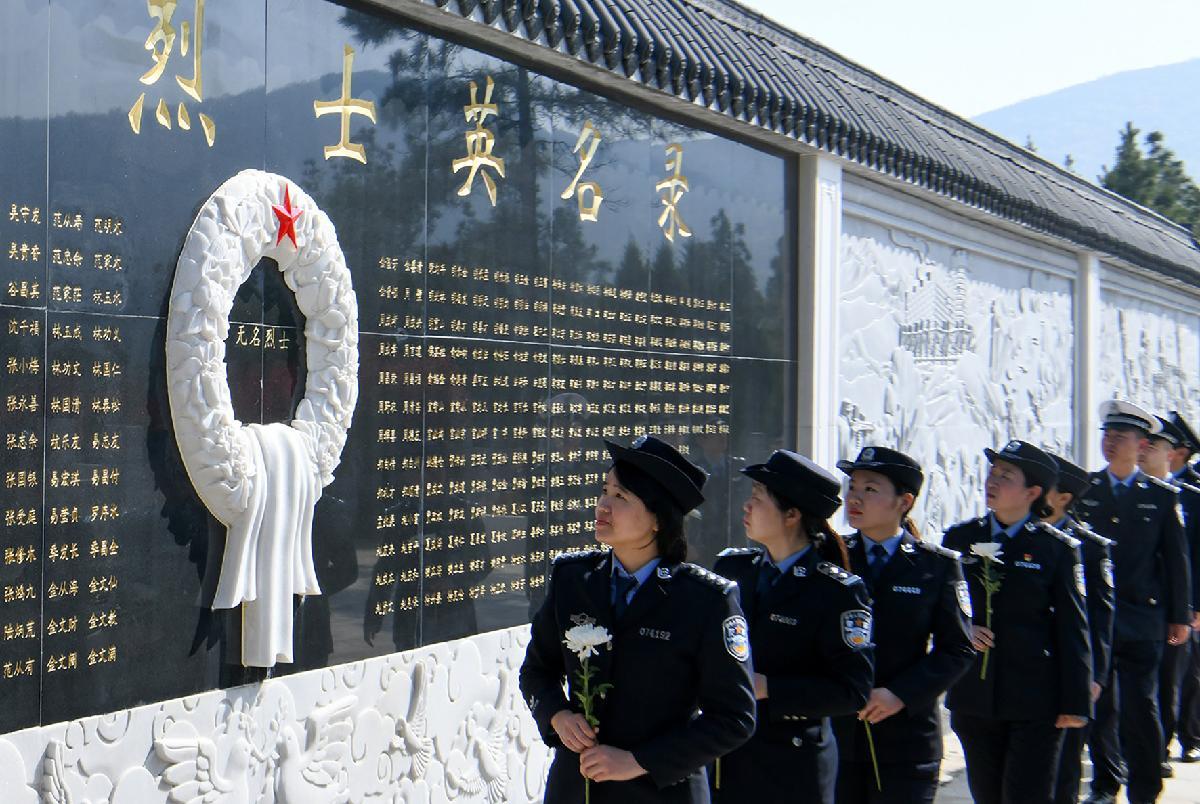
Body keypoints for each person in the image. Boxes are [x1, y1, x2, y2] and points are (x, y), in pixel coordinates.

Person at [520, 435, 756, 803]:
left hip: (661, 792)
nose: (603, 505)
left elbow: (734, 718)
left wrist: (639, 761)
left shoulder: (707, 600)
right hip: (576, 788)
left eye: (621, 496)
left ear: (658, 519)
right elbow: (537, 671)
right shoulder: (573, 579)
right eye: (604, 490)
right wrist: (558, 716)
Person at [710, 450, 874, 804]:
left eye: (758, 498)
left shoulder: (836, 591)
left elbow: (852, 691)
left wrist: (769, 687)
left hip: (792, 765)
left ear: (792, 514)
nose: (747, 506)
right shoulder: (733, 570)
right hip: (728, 758)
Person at [943, 439, 1091, 804]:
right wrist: (963, 629)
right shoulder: (960, 538)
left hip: (1035, 700)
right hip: (975, 696)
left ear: (1033, 492)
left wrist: (1076, 702)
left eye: (1006, 476)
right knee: (987, 795)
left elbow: (1073, 627)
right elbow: (942, 606)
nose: (992, 481)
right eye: (992, 473)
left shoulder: (1057, 548)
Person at [832, 446, 974, 804]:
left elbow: (957, 649)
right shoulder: (830, 557)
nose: (854, 498)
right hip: (838, 736)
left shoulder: (937, 566)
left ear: (904, 501)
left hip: (907, 742)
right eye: (852, 487)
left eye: (870, 489)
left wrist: (900, 694)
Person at [1077, 402, 1191, 804]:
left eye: (1120, 437)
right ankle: (1106, 784)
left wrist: (1180, 615)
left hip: (1141, 617)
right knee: (1100, 704)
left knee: (1142, 705)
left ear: (1141, 445)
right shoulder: (1086, 490)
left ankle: (1145, 788)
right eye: (1107, 436)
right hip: (1096, 619)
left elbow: (1175, 559)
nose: (1110, 443)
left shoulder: (1160, 497)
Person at [1044, 452, 1116, 804]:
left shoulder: (1090, 548)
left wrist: (1095, 677)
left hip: (1071, 671)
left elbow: (1100, 619)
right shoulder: (1012, 539)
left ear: (1063, 498)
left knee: (1064, 769)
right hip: (1025, 673)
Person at [1142, 415, 1200, 779]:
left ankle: (1170, 743)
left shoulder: (1192, 497)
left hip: (1180, 605)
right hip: (1140, 605)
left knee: (1176, 677)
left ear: (1174, 452)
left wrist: (1194, 606)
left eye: (1154, 445)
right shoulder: (1131, 492)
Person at [1167, 411, 1200, 764]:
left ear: (1181, 451)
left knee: (1189, 671)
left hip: (1189, 598)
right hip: (1155, 597)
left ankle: (1190, 736)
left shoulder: (1194, 493)